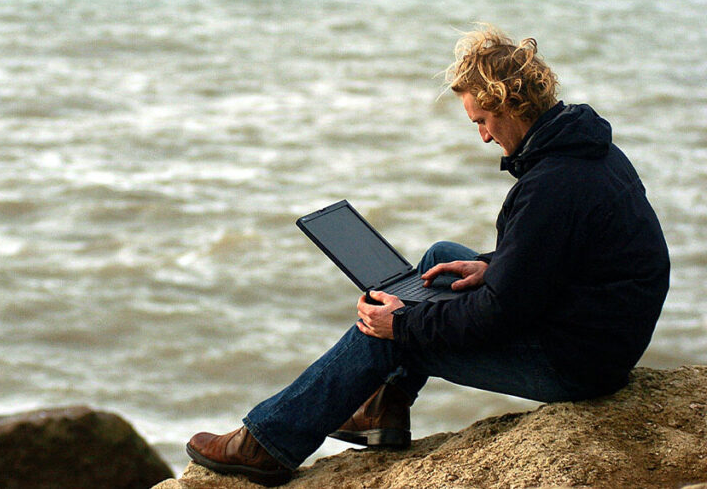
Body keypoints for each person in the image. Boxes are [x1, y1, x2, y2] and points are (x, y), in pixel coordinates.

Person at [185, 26, 670, 487]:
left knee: (390, 331)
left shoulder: (550, 186)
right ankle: (382, 411)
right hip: (595, 332)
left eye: (482, 120)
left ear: (509, 104)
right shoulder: (586, 151)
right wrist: (493, 264)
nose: (482, 136)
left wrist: (402, 326)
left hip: (576, 363)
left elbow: (499, 315)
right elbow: (564, 255)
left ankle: (267, 444)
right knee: (440, 258)